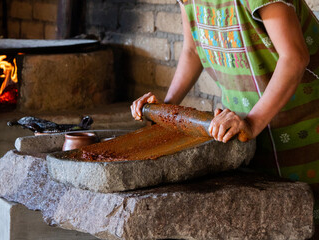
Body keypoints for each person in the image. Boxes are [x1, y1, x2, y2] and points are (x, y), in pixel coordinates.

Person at [131, 0, 319, 235]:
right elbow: (192, 51)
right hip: (245, 132)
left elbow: (294, 57)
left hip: (305, 128)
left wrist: (252, 123)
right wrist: (166, 109)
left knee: (308, 221)